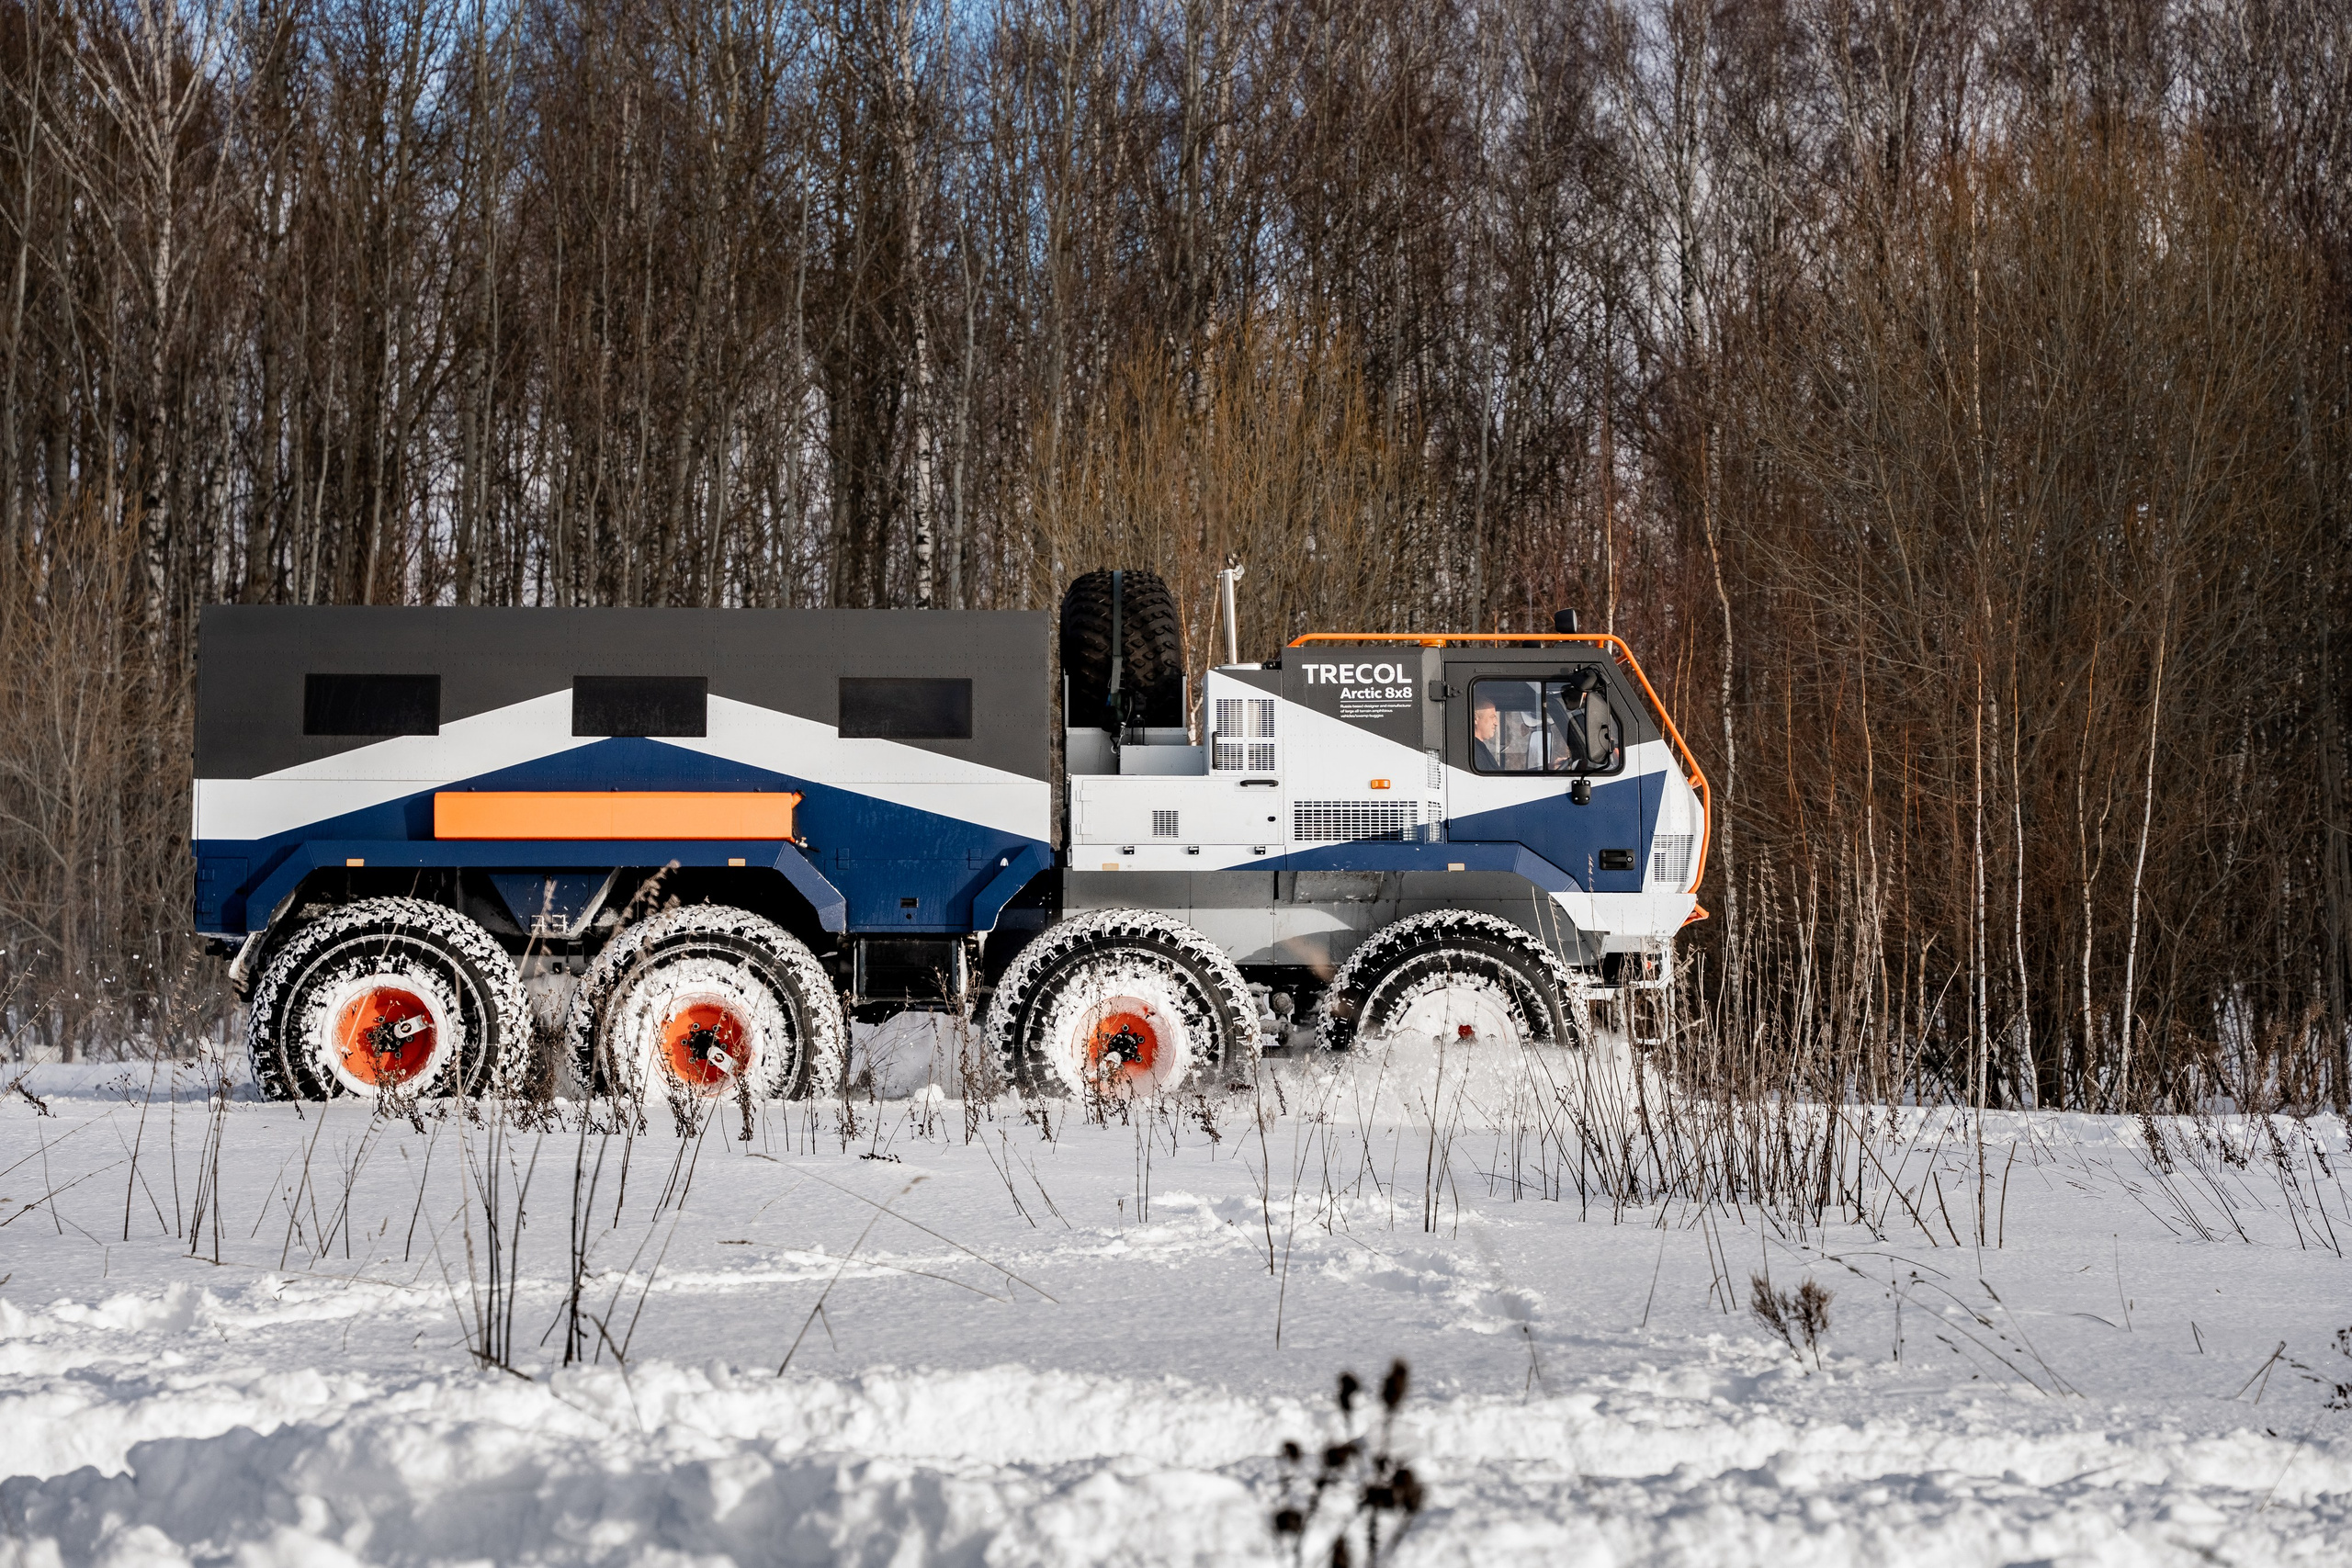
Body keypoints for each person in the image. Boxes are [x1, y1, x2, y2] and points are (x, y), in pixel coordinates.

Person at [1473, 691, 1505, 771]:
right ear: (1475, 719)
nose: (1496, 723)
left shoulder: (1480, 749)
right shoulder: (1475, 752)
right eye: (1492, 717)